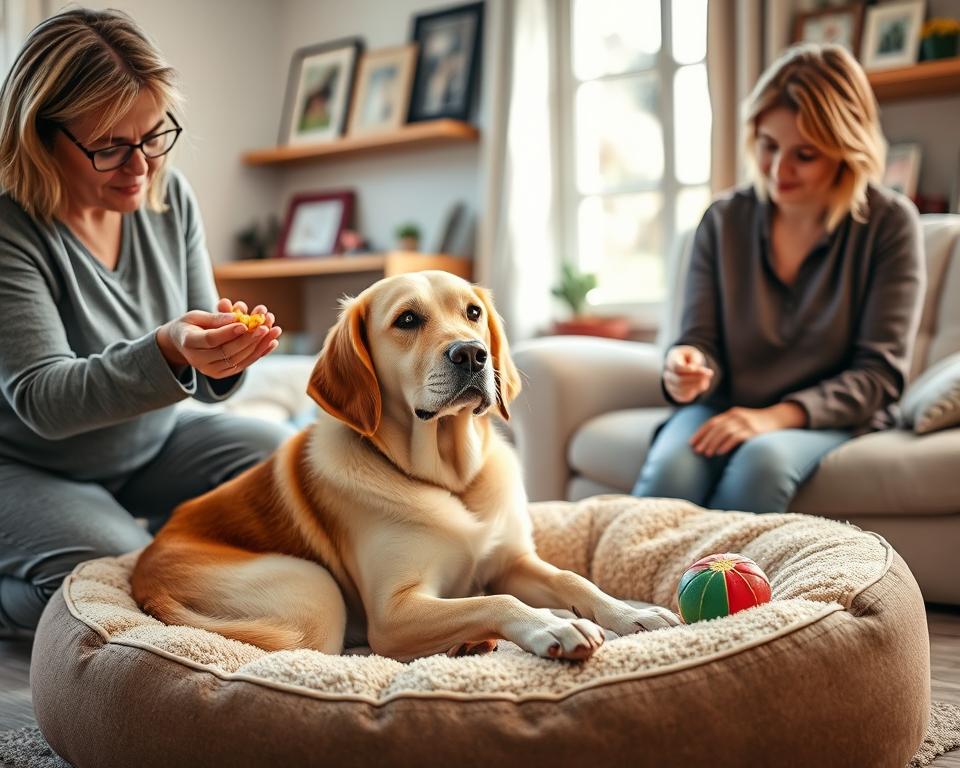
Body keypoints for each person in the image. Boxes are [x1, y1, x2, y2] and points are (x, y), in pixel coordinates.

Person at [0, 8, 294, 635]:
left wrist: (225, 353)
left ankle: (142, 540)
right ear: (39, 137)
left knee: (285, 469)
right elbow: (43, 399)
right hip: (27, 463)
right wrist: (167, 349)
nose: (141, 166)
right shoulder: (10, 227)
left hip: (149, 445)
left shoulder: (168, 197)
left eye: (154, 135)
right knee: (107, 578)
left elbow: (201, 355)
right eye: (109, 147)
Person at [632, 43, 924, 514]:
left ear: (845, 152)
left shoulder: (890, 224)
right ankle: (615, 588)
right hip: (725, 404)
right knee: (672, 469)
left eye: (804, 154)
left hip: (827, 418)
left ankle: (719, 588)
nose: (778, 170)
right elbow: (699, 340)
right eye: (768, 146)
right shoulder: (724, 221)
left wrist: (774, 417)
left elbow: (879, 374)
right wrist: (686, 369)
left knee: (760, 463)